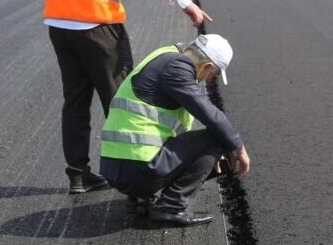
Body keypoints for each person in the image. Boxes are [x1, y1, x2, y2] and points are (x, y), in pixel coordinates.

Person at [43, 0, 212, 194]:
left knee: (75, 100)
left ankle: (78, 174)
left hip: (59, 24)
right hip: (97, 25)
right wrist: (185, 2)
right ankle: (133, 175)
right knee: (123, 98)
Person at [99, 34, 251, 226]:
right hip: (136, 167)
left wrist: (202, 158)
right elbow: (211, 115)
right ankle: (170, 208)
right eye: (214, 75)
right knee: (217, 138)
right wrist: (237, 146)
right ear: (206, 67)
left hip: (116, 165)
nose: (210, 82)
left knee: (208, 144)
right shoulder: (177, 68)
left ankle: (139, 199)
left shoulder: (165, 55)